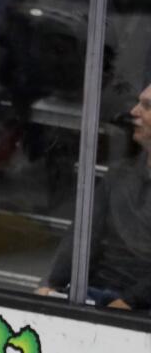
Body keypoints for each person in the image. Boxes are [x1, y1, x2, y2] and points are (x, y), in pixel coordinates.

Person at [36, 82, 151, 311]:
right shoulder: (119, 175)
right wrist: (51, 285)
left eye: (147, 106)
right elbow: (84, 236)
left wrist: (128, 303)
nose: (134, 112)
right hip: (95, 295)